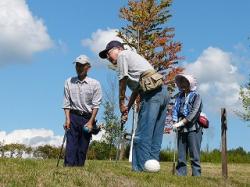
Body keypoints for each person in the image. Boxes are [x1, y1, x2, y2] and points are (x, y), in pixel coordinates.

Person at [99, 41, 169, 172]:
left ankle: (139, 168)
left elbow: (122, 80)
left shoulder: (122, 56)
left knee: (142, 134)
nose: (108, 57)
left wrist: (120, 102)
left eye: (108, 53)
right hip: (163, 92)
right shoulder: (133, 58)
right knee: (155, 134)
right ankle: (152, 168)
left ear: (118, 49)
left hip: (151, 94)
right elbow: (136, 90)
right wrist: (127, 108)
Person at [62, 55, 102, 166]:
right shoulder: (69, 82)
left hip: (87, 118)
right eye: (77, 65)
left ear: (88, 67)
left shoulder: (95, 84)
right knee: (71, 144)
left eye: (82, 65)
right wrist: (67, 119)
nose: (79, 68)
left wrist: (90, 122)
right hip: (73, 116)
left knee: (83, 146)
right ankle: (68, 167)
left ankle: (79, 168)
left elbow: (96, 105)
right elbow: (66, 103)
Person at [172, 74, 203, 176]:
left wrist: (182, 122)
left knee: (194, 154)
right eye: (181, 82)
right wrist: (175, 122)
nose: (182, 84)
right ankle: (181, 174)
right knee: (181, 154)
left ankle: (196, 175)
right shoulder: (179, 97)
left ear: (190, 84)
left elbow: (194, 112)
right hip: (181, 128)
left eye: (185, 82)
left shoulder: (196, 96)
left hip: (193, 127)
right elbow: (175, 110)